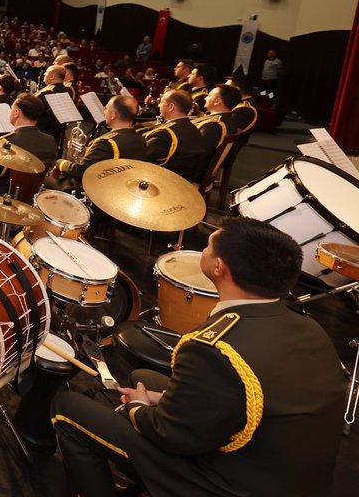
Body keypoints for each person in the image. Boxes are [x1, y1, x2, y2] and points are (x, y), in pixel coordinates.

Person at [52, 217, 345, 497]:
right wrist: (162, 401)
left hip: (231, 487)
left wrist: (139, 408)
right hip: (287, 474)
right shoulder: (309, 326)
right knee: (145, 378)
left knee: (68, 408)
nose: (202, 250)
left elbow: (170, 434)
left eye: (207, 246)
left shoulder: (213, 348)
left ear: (218, 267)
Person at [48, 95, 146, 190]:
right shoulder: (140, 139)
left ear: (113, 115)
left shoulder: (107, 142)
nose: (104, 111)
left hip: (97, 189)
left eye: (106, 108)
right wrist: (88, 150)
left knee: (44, 181)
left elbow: (80, 171)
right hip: (125, 187)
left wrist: (59, 163)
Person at [0, 94, 58, 196]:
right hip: (32, 196)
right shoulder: (50, 140)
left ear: (16, 113)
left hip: (1, 198)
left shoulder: (7, 143)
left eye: (12, 109)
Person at [143, 89, 209, 183]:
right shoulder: (194, 128)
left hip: (164, 183)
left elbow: (141, 156)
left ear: (171, 107)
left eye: (161, 102)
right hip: (185, 180)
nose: (158, 105)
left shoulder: (165, 133)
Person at [194, 84, 241, 155]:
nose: (205, 98)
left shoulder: (212, 125)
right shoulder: (228, 120)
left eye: (209, 96)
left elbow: (195, 152)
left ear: (217, 101)